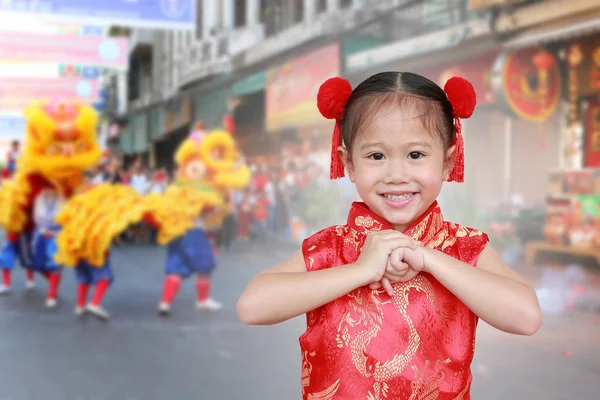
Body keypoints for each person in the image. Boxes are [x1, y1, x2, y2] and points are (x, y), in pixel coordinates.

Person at [237, 73, 542, 399]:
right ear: (348, 163)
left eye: (415, 155)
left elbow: (526, 318)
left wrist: (429, 258)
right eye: (376, 156)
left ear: (448, 161)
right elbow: (252, 307)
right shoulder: (331, 248)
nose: (396, 175)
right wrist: (359, 271)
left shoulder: (465, 248)